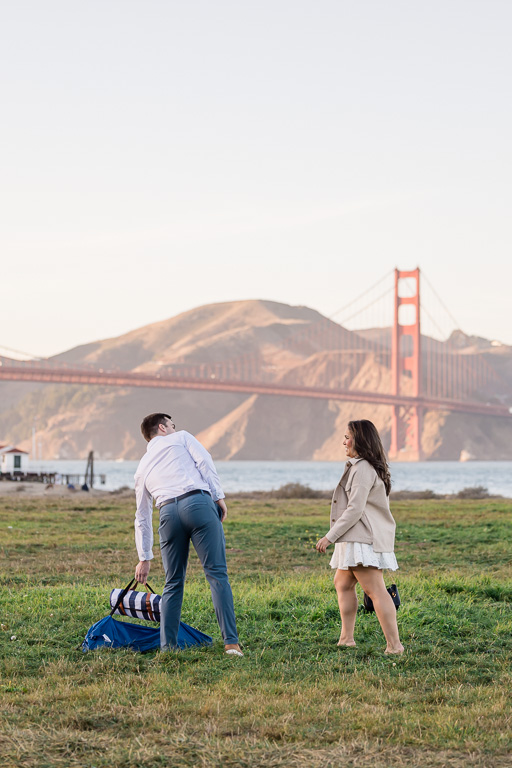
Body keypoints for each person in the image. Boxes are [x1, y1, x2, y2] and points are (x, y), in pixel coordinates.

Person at [134, 412, 242, 656]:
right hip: (198, 504)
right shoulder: (182, 437)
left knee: (173, 582)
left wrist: (144, 556)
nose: (175, 428)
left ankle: (168, 648)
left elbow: (142, 515)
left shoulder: (141, 467)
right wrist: (218, 496)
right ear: (162, 427)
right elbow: (205, 462)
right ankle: (231, 644)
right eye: (172, 425)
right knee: (216, 574)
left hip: (167, 514)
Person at [316, 419, 403, 654]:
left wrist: (329, 537)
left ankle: (395, 646)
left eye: (347, 437)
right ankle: (346, 638)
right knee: (342, 583)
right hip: (356, 536)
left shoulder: (363, 469)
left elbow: (354, 509)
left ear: (360, 440)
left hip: (362, 537)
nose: (343, 441)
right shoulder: (359, 466)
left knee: (376, 590)